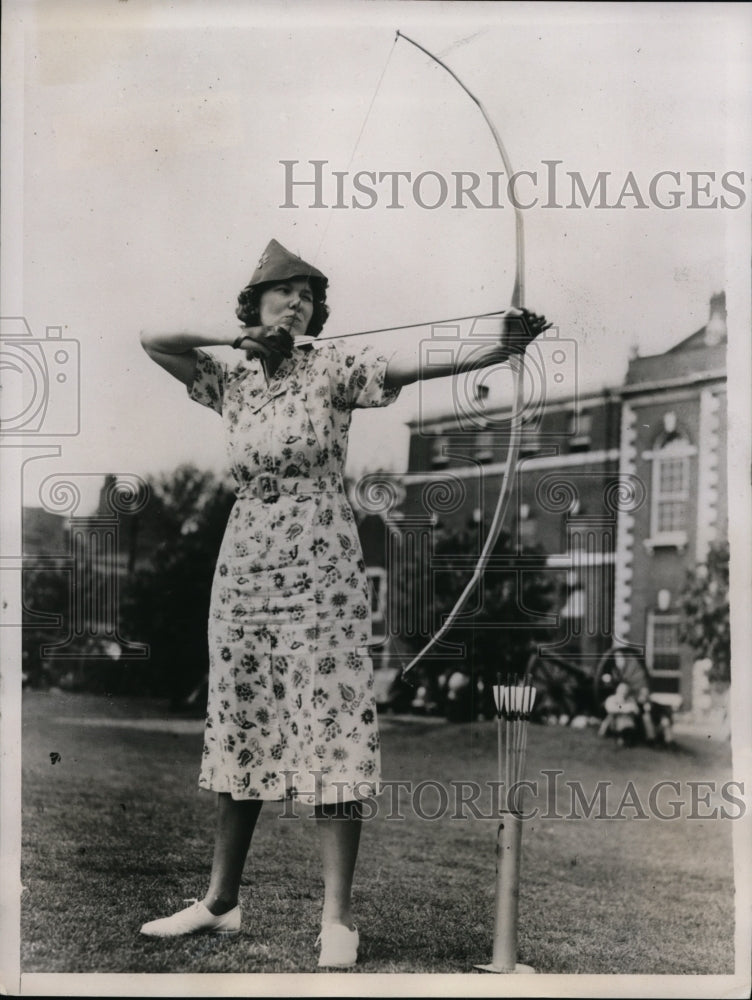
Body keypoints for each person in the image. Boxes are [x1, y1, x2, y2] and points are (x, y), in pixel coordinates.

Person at [137, 238, 550, 967]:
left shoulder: (331, 367)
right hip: (244, 567)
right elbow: (151, 337)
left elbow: (411, 365)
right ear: (255, 303)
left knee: (331, 724)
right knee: (240, 721)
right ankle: (221, 902)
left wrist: (495, 349)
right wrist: (235, 338)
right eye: (284, 293)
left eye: (308, 297)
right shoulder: (230, 377)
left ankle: (337, 919)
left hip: (320, 566)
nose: (298, 304)